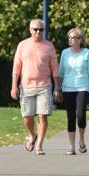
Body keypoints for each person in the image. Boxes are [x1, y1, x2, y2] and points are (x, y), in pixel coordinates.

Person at [10, 18, 61, 155]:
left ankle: (39, 145)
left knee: (43, 116)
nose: (38, 32)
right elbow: (16, 67)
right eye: (36, 29)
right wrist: (14, 86)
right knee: (27, 117)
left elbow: (55, 68)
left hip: (44, 86)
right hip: (26, 86)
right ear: (30, 30)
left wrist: (57, 88)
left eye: (41, 29)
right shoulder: (22, 45)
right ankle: (32, 134)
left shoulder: (49, 46)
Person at [57, 27, 89, 155]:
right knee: (70, 117)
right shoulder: (65, 53)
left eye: (73, 37)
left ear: (80, 39)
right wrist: (58, 89)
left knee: (80, 116)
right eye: (69, 37)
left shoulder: (87, 53)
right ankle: (71, 146)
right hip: (68, 88)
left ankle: (82, 139)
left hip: (83, 87)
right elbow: (61, 72)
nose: (71, 39)